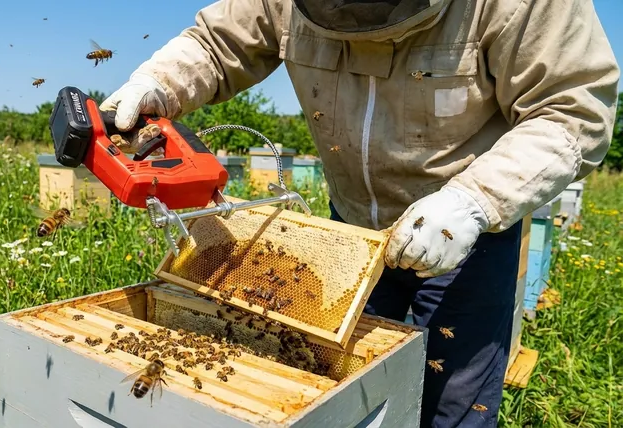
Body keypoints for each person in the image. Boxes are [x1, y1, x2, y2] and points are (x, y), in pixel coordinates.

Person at [100, 0, 620, 426]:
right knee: (349, 395)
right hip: (348, 232)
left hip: (464, 230)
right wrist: (159, 82)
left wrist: (476, 200)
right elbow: (218, 43)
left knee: (456, 403)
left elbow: (573, 105)